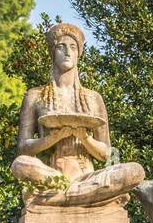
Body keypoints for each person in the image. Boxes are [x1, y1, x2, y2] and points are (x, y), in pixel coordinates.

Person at [11, 22, 144, 209]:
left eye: (73, 47)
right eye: (61, 46)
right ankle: (78, 194)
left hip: (87, 176)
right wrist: (52, 138)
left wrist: (85, 138)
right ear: (52, 52)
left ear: (78, 53)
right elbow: (23, 149)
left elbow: (106, 153)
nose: (67, 52)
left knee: (135, 171)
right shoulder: (35, 95)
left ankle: (62, 196)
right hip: (50, 173)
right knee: (20, 164)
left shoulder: (93, 98)